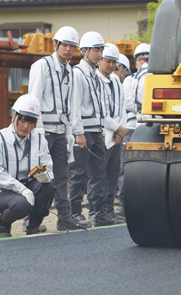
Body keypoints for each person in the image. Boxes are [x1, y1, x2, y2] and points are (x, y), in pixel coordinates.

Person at [28, 26, 90, 230]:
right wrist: (36, 129)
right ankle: (31, 219)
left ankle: (64, 217)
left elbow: (72, 105)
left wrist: (71, 131)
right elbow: (34, 98)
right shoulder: (42, 66)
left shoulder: (70, 70)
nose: (68, 49)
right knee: (40, 174)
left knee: (63, 174)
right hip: (43, 130)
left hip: (61, 131)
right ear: (56, 45)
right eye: (65, 45)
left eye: (72, 46)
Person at [0, 94, 55, 238]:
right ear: (14, 115)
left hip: (28, 185)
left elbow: (48, 167)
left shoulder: (40, 140)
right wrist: (22, 190)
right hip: (1, 191)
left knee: (49, 187)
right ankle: (3, 224)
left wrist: (45, 176)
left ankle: (34, 225)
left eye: (31, 122)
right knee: (22, 204)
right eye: (22, 120)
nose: (25, 126)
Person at [69, 31, 118, 227]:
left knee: (99, 172)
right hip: (83, 132)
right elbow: (74, 105)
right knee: (79, 172)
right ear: (84, 51)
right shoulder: (77, 73)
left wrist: (102, 132)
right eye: (96, 50)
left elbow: (100, 107)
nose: (99, 54)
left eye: (100, 50)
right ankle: (74, 212)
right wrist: (78, 132)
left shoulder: (95, 75)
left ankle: (97, 212)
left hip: (96, 131)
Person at [115, 43, 150, 217]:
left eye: (146, 58)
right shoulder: (130, 79)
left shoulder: (151, 78)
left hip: (148, 126)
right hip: (131, 127)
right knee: (126, 167)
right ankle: (122, 202)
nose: (144, 62)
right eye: (140, 59)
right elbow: (128, 104)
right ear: (135, 62)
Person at [97, 43, 127, 223]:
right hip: (103, 132)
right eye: (107, 61)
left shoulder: (116, 80)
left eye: (113, 62)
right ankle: (99, 211)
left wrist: (120, 130)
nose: (110, 65)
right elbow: (101, 111)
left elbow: (121, 106)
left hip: (117, 133)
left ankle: (109, 208)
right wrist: (117, 128)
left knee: (113, 173)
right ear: (100, 59)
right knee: (100, 174)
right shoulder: (95, 79)